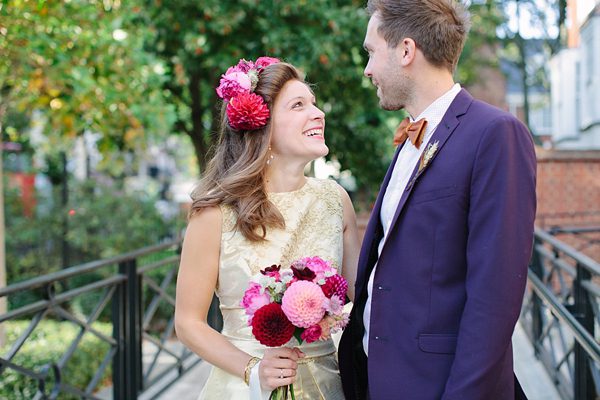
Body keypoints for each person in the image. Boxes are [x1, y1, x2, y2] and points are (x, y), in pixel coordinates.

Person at [338, 1, 537, 399]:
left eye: (371, 52)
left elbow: (494, 299)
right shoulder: (410, 138)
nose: (367, 69)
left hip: (438, 386)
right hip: (380, 381)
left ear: (406, 51)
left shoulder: (495, 133)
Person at [175, 57, 360, 400]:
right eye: (298, 105)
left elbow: (363, 299)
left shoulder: (336, 200)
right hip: (243, 388)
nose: (318, 114)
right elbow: (188, 323)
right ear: (263, 127)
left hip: (326, 385)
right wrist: (251, 368)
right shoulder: (215, 212)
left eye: (315, 104)